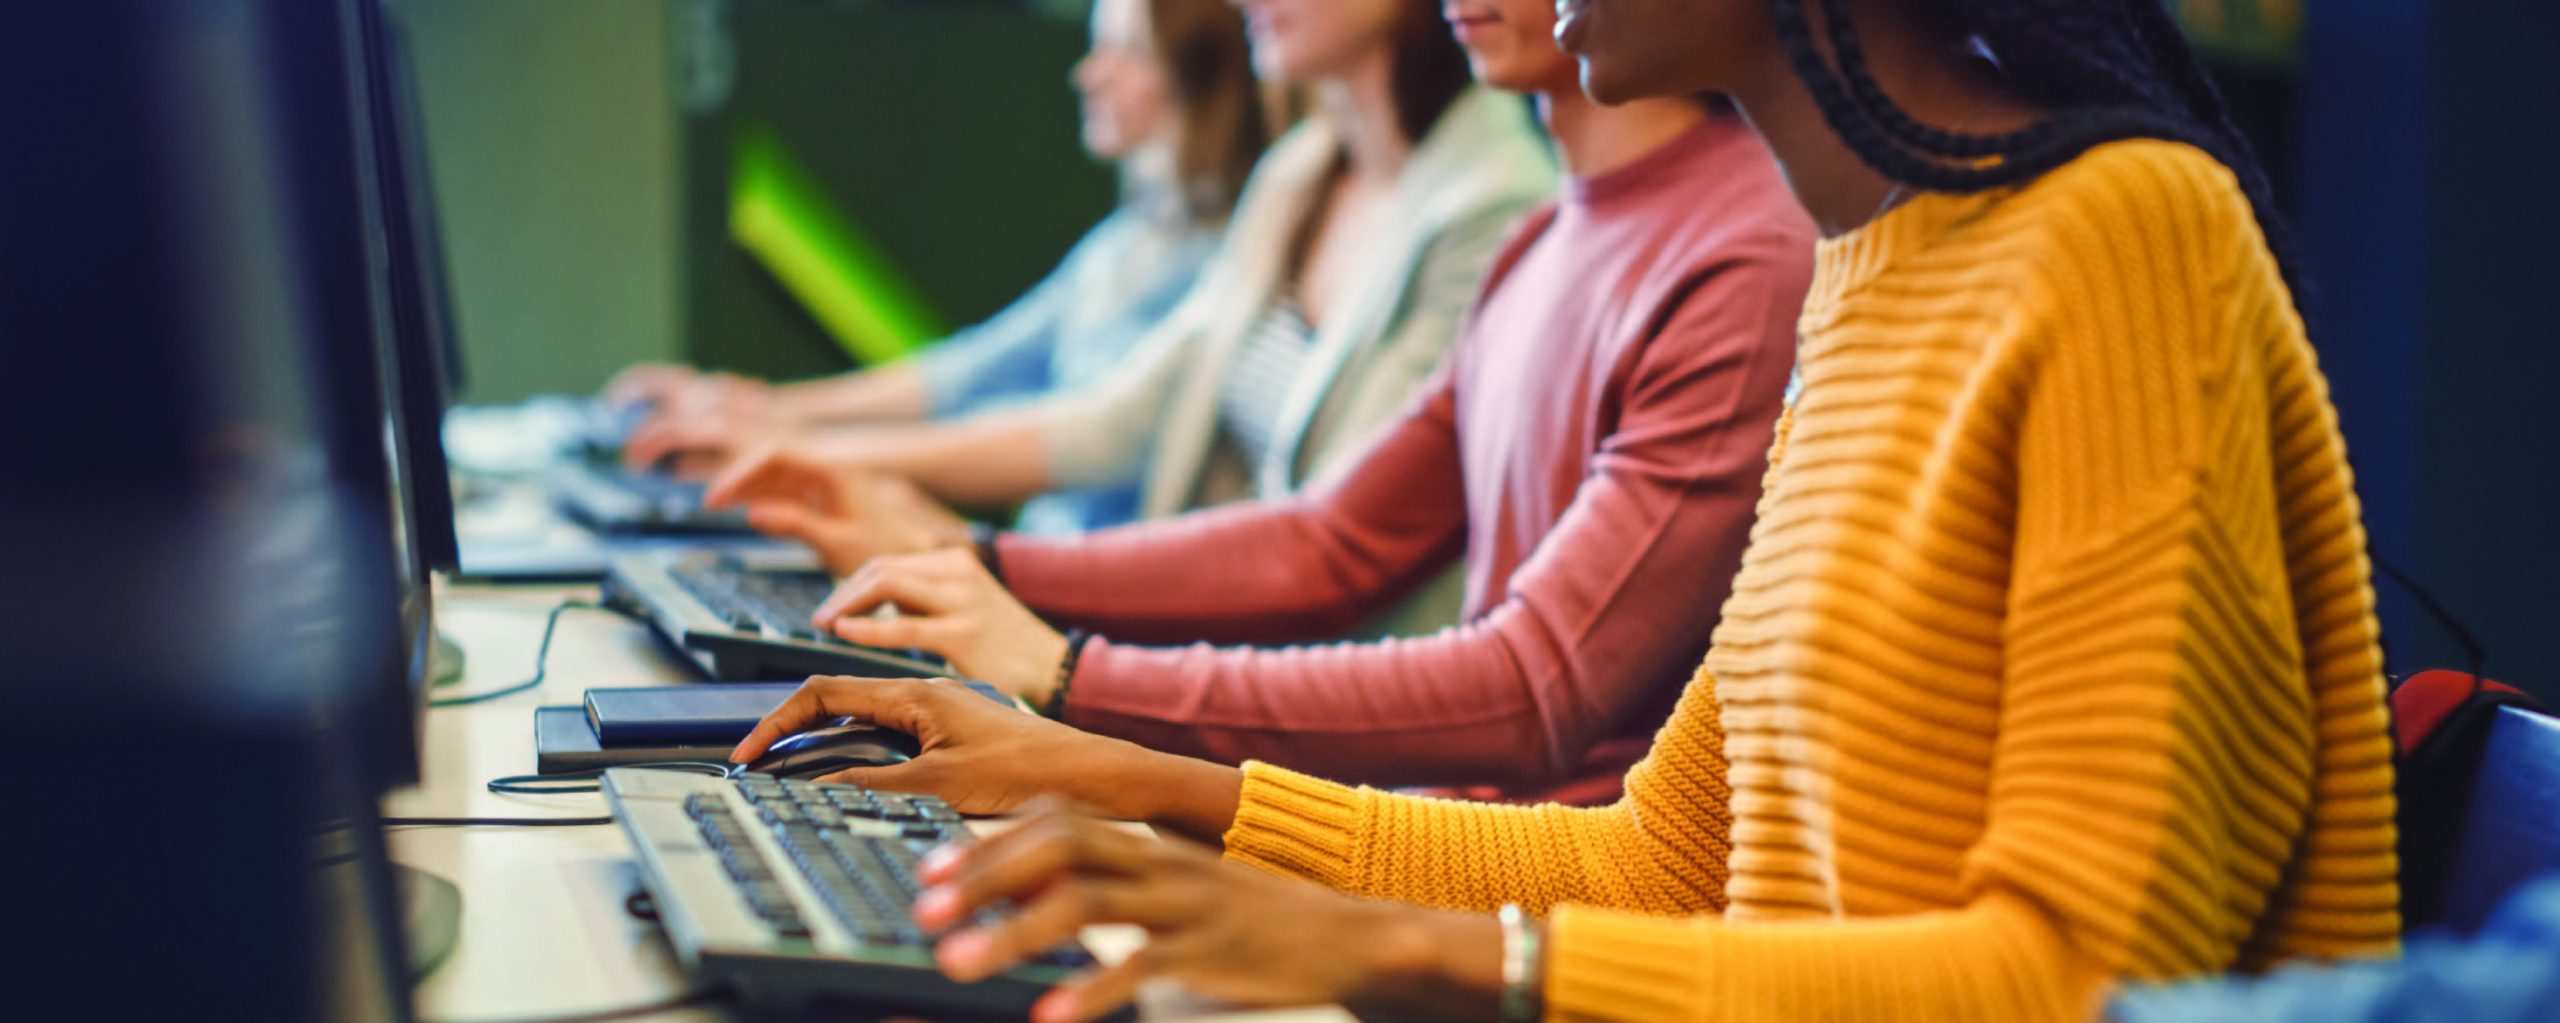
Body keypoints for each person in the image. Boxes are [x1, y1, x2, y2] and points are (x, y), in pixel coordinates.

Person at [730, 0, 2404, 1019]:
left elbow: (2075, 987)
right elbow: (1668, 856)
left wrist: (1396, 951)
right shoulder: (1866, 269)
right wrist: (1132, 781)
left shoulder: (2123, 238)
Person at [708, 0, 1814, 807]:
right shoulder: (1549, 236)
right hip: (1448, 836)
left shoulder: (1739, 254)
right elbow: (1332, 540)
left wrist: (1068, 674)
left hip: (1533, 882)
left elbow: (1534, 691)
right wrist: (985, 571)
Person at [705, 0, 1556, 559]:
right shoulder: (1301, 171)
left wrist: (984, 559)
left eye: (1124, 55)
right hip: (1197, 642)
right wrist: (806, 452)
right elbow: (1120, 412)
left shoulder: (1491, 205)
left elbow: (1331, 542)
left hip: (1313, 715)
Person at [605, 0, 1266, 535]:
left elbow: (1093, 435)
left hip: (1093, 596)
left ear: (1200, 71)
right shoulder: (1127, 242)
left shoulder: (1228, 256)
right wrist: (761, 410)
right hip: (1040, 559)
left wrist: (796, 452)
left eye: (1126, 51)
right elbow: (973, 370)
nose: (1090, 73)